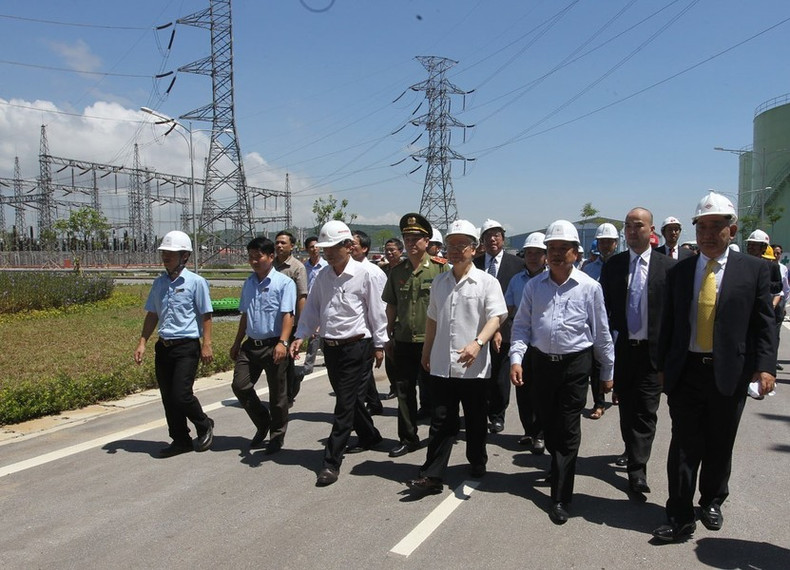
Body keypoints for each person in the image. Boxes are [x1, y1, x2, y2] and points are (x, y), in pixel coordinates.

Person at [652, 191, 776, 542]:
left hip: (730, 372)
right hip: (687, 370)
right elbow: (668, 323)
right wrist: (661, 367)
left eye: (715, 226)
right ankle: (679, 514)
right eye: (701, 227)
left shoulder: (754, 270)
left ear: (731, 230)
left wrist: (765, 367)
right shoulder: (680, 271)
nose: (707, 234)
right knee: (683, 444)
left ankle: (711, 501)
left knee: (720, 442)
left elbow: (764, 324)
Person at [509, 220, 614, 525]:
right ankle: (558, 465)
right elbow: (521, 326)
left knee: (568, 429)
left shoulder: (589, 287)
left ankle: (560, 496)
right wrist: (516, 359)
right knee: (549, 424)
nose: (556, 254)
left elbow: (601, 332)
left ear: (575, 253)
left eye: (563, 248)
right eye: (551, 248)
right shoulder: (534, 286)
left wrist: (608, 370)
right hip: (542, 365)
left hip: (575, 366)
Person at [406, 220, 507, 494]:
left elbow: (496, 317)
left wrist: (478, 343)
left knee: (475, 420)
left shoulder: (487, 282)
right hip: (442, 364)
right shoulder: (440, 282)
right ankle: (433, 475)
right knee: (441, 421)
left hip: (474, 367)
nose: (455, 250)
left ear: (474, 249)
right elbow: (432, 320)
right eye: (451, 244)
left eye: (461, 244)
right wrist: (426, 351)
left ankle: (477, 460)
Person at [289, 221, 388, 487]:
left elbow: (377, 312)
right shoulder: (323, 276)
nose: (328, 253)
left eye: (333, 247)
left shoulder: (365, 274)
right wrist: (300, 335)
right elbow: (313, 308)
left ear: (348, 246)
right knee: (350, 400)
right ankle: (370, 436)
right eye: (325, 249)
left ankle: (331, 462)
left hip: (357, 346)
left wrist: (380, 344)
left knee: (343, 405)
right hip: (330, 347)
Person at [600, 208, 675, 495]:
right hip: (623, 350)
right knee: (627, 408)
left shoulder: (668, 267)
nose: (632, 231)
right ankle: (631, 450)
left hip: (652, 353)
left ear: (651, 230)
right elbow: (603, 308)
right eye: (628, 226)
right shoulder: (614, 265)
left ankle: (638, 469)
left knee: (646, 410)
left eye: (638, 225)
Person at [133, 230, 215, 458]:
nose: (166, 256)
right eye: (164, 252)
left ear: (185, 255)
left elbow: (206, 315)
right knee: (168, 398)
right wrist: (142, 342)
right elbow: (152, 314)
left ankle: (204, 424)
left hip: (186, 347)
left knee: (181, 394)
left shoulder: (196, 282)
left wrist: (206, 344)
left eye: (171, 253)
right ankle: (180, 440)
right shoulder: (159, 283)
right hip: (164, 347)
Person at [382, 213, 448, 458]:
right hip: (404, 341)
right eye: (407, 238)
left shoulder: (441, 268)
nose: (410, 243)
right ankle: (408, 438)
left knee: (437, 392)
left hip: (433, 341)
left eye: (415, 238)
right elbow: (391, 305)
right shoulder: (398, 271)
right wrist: (388, 335)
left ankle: (439, 437)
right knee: (404, 391)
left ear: (427, 240)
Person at [229, 237, 296, 453]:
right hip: (251, 345)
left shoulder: (283, 283)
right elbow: (245, 315)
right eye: (250, 257)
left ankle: (277, 436)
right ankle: (263, 421)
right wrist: (237, 342)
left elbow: (288, 315)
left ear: (270, 256)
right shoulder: (249, 283)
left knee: (278, 395)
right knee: (240, 386)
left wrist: (283, 342)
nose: (254, 261)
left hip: (274, 345)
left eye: (258, 257)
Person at [473, 218, 523, 434]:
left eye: (496, 235)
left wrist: (501, 328)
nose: (492, 239)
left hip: (506, 328)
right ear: (482, 240)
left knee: (500, 377)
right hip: (477, 327)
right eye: (488, 236)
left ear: (503, 238)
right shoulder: (473, 263)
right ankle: (478, 411)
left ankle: (497, 415)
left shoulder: (517, 264)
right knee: (478, 374)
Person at [503, 232, 547, 453]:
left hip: (543, 343)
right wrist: (497, 330)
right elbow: (507, 309)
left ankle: (541, 434)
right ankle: (529, 430)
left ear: (545, 256)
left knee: (541, 390)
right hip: (521, 340)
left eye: (538, 253)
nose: (532, 257)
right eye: (529, 253)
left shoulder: (551, 279)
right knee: (522, 388)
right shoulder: (516, 280)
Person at [582, 222, 619, 421]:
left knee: (616, 358)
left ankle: (616, 389)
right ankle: (598, 402)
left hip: (617, 320)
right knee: (596, 361)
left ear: (616, 243)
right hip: (595, 321)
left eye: (609, 242)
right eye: (602, 241)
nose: (605, 245)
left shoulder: (623, 265)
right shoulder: (588, 268)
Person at [351, 229, 387, 415]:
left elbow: (380, 307)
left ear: (364, 248)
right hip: (352, 333)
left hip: (368, 332)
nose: (348, 248)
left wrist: (379, 341)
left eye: (352, 245)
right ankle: (374, 402)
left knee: (359, 377)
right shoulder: (342, 270)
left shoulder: (373, 272)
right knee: (363, 373)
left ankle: (359, 417)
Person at [274, 231, 309, 406]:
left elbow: (302, 296)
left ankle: (287, 396)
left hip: (290, 320)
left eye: (283, 243)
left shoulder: (297, 267)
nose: (279, 246)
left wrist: (300, 324)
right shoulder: (270, 265)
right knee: (276, 359)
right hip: (274, 321)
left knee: (287, 361)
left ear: (292, 246)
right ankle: (281, 391)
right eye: (277, 243)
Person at [300, 236, 327, 378]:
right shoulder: (304, 268)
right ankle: (326, 359)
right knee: (316, 334)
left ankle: (308, 365)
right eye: (311, 247)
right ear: (307, 249)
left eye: (317, 246)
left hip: (323, 303)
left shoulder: (326, 266)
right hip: (309, 303)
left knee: (317, 334)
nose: (315, 249)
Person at [381, 237, 405, 399]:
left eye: (392, 250)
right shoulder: (382, 270)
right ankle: (393, 387)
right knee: (389, 356)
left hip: (400, 318)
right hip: (384, 316)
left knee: (401, 358)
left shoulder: (405, 269)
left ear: (400, 251)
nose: (389, 253)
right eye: (387, 250)